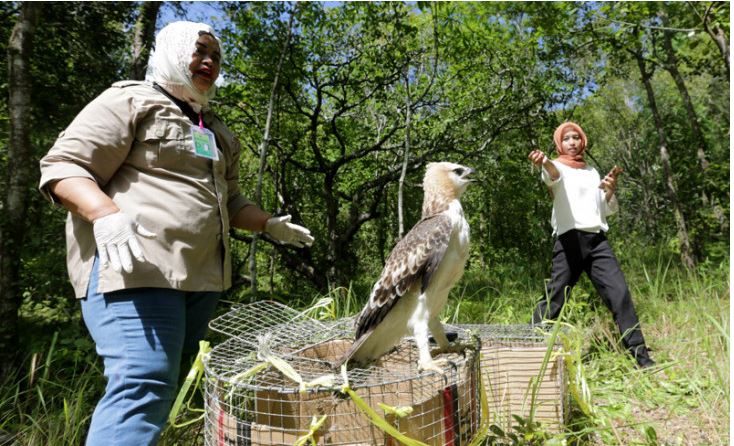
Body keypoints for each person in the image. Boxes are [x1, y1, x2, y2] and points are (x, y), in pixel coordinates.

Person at [38, 21, 314, 445]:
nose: (209, 62)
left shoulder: (215, 129)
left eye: (217, 57)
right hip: (136, 270)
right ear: (171, 50)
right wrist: (104, 213)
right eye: (199, 50)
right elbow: (63, 167)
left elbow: (232, 201)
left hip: (200, 279)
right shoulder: (130, 100)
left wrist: (270, 224)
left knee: (165, 386)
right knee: (142, 382)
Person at [528, 121, 655, 369]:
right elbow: (553, 177)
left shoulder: (592, 171)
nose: (572, 142)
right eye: (567, 139)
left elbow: (603, 208)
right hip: (569, 242)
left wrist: (609, 190)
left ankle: (642, 359)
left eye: (576, 137)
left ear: (583, 140)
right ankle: (529, 349)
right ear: (559, 143)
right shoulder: (556, 167)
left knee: (620, 295)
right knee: (555, 298)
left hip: (597, 242)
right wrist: (544, 162)